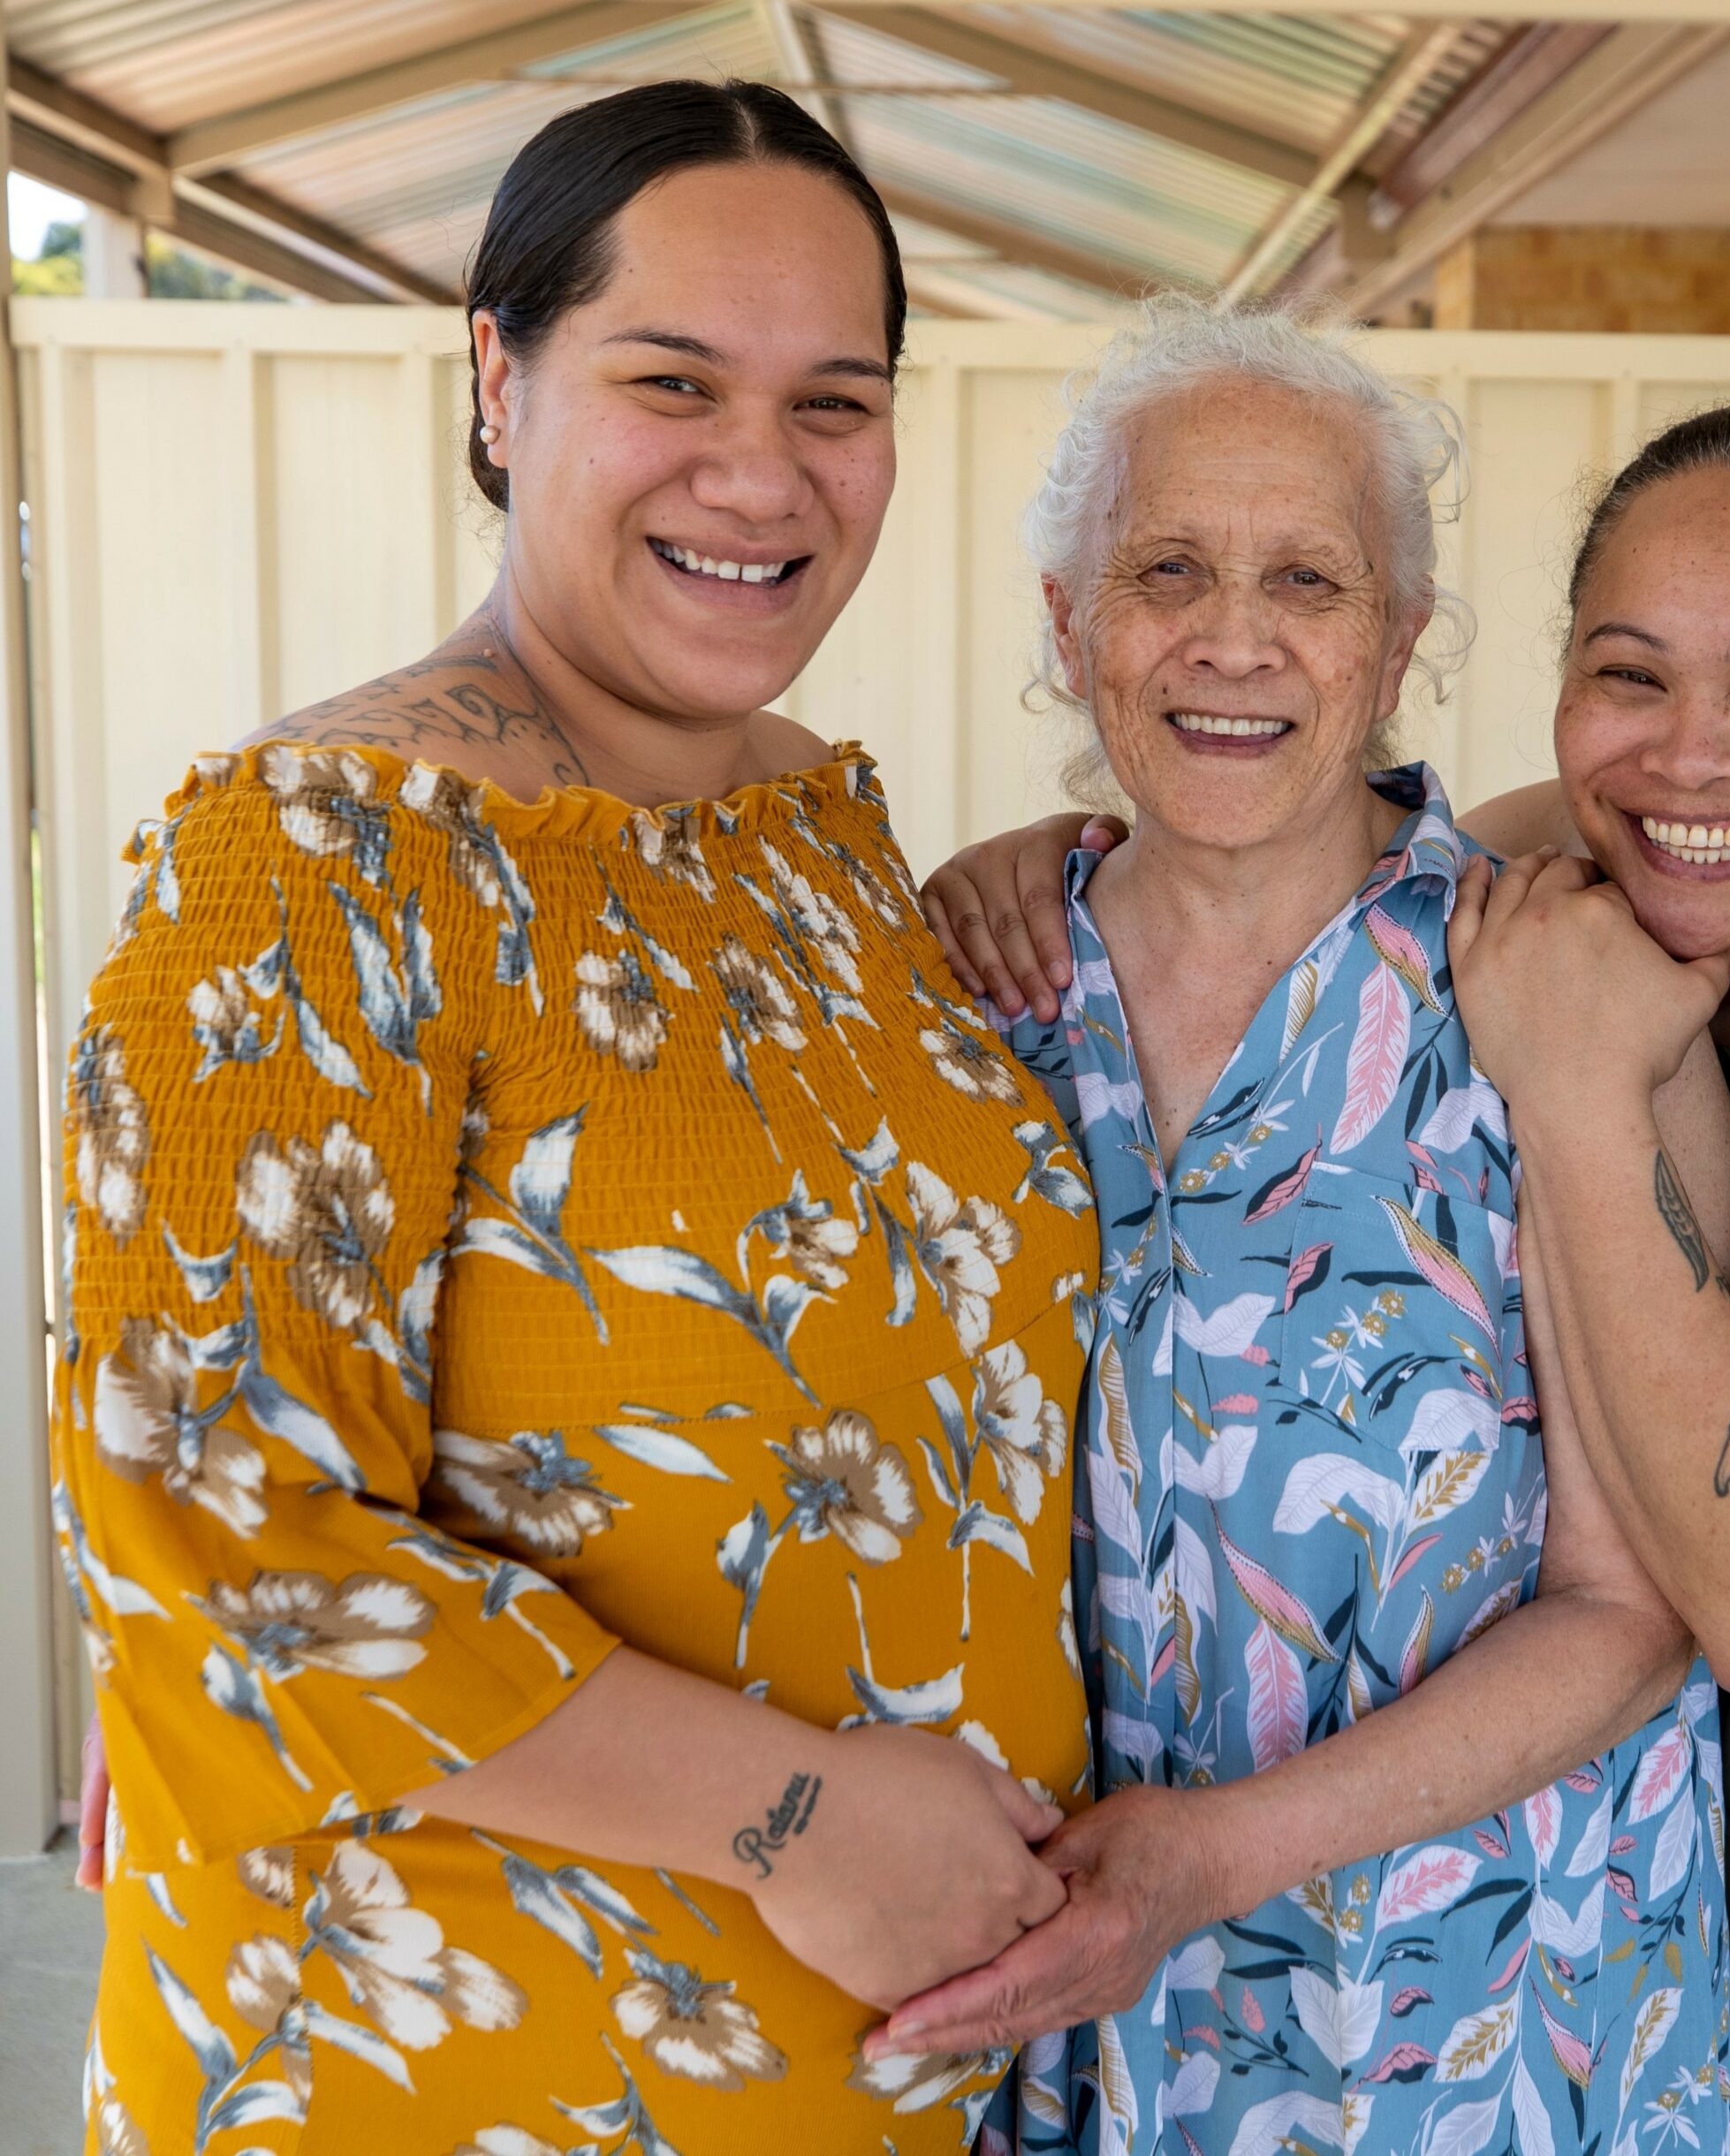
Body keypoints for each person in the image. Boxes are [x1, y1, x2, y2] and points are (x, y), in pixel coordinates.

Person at [925, 399, 1730, 2156]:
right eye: (1629, 676)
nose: (1688, 753)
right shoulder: (1592, 885)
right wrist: (1047, 850)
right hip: (1696, 1900)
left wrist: (1567, 1090)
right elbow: (1288, 804)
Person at [55, 81, 1096, 2154]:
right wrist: (797, 1809)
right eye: (671, 379)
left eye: (836, 399)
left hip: (869, 2079)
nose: (761, 470)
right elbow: (216, 1540)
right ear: (500, 378)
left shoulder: (811, 824)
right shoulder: (317, 861)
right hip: (457, 2062)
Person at [867, 300, 1730, 2156]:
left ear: (1398, 641)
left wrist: (1203, 1860)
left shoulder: (1566, 996)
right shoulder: (955, 1004)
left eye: (1308, 579)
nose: (1232, 636)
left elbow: (1640, 1596)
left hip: (1480, 2023)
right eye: (1163, 567)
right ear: (1064, 621)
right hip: (1062, 2016)